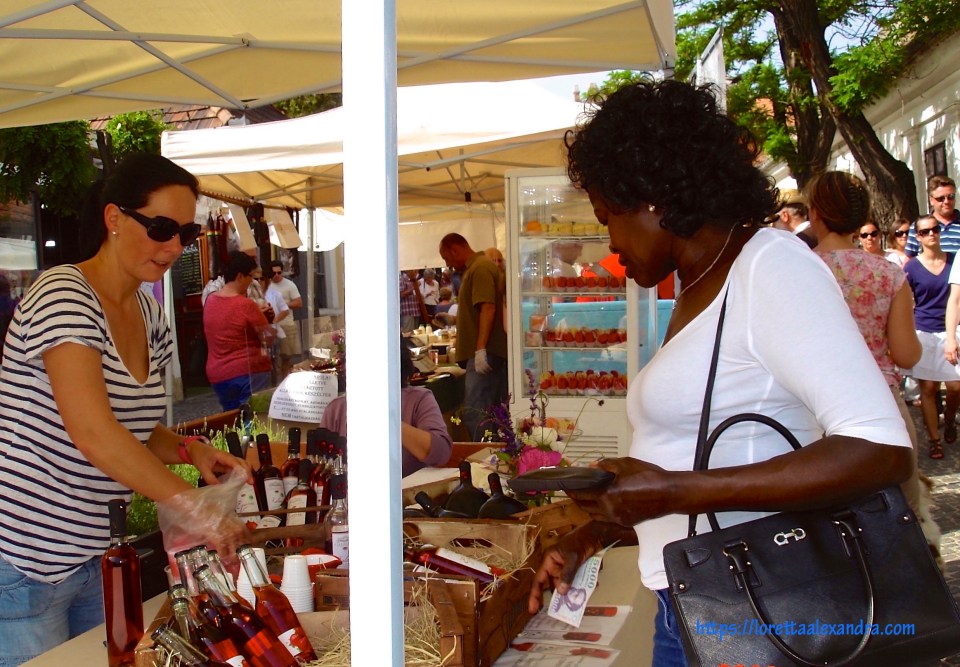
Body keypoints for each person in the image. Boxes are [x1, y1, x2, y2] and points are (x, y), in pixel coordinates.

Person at [525, 80, 912, 667]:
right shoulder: (701, 285)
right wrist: (596, 532)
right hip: (698, 601)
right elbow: (708, 467)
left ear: (653, 198)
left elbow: (881, 449)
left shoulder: (769, 267)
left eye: (609, 217)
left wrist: (671, 491)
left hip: (755, 611)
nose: (610, 242)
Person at [0, 153, 252, 665]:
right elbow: (93, 432)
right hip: (26, 558)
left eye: (184, 233)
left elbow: (133, 427)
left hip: (98, 552)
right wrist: (194, 505)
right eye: (160, 227)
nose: (173, 246)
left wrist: (190, 450)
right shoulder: (63, 295)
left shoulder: (148, 310)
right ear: (114, 218)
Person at [808, 171, 937, 547]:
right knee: (905, 515)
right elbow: (906, 353)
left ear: (815, 214)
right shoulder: (887, 273)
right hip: (881, 406)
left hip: (813, 409)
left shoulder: (800, 269)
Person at [319, 334, 452, 477]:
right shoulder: (336, 409)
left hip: (406, 496)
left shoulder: (418, 399)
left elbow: (441, 453)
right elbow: (322, 472)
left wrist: (388, 422)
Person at [438, 233, 508, 441]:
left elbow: (488, 307)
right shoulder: (474, 269)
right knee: (485, 411)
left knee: (476, 411)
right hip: (485, 351)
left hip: (487, 353)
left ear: (454, 250)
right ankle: (492, 454)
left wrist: (480, 349)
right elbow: (477, 310)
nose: (448, 264)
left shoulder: (480, 268)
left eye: (446, 258)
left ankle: (486, 457)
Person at [904, 215, 960, 459]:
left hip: (952, 330)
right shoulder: (912, 267)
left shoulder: (953, 261)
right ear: (918, 236)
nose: (931, 234)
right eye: (925, 231)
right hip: (924, 329)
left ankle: (949, 420)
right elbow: (906, 301)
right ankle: (934, 438)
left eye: (935, 229)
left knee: (956, 386)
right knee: (928, 388)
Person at [204, 251, 276, 411]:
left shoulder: (210, 300)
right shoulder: (245, 304)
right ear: (240, 276)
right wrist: (269, 321)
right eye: (250, 276)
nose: (251, 281)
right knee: (255, 419)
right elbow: (268, 337)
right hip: (249, 370)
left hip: (219, 374)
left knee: (232, 418)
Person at [905, 175, 960, 258]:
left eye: (950, 197)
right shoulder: (919, 226)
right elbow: (909, 258)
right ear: (931, 200)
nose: (946, 201)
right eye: (941, 198)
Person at [269, 259, 303, 378]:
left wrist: (283, 304)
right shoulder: (266, 285)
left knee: (286, 356)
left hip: (287, 323)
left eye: (279, 273)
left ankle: (285, 381)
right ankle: (275, 382)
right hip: (270, 325)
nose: (277, 275)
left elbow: (299, 303)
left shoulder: (289, 285)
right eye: (274, 273)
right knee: (272, 358)